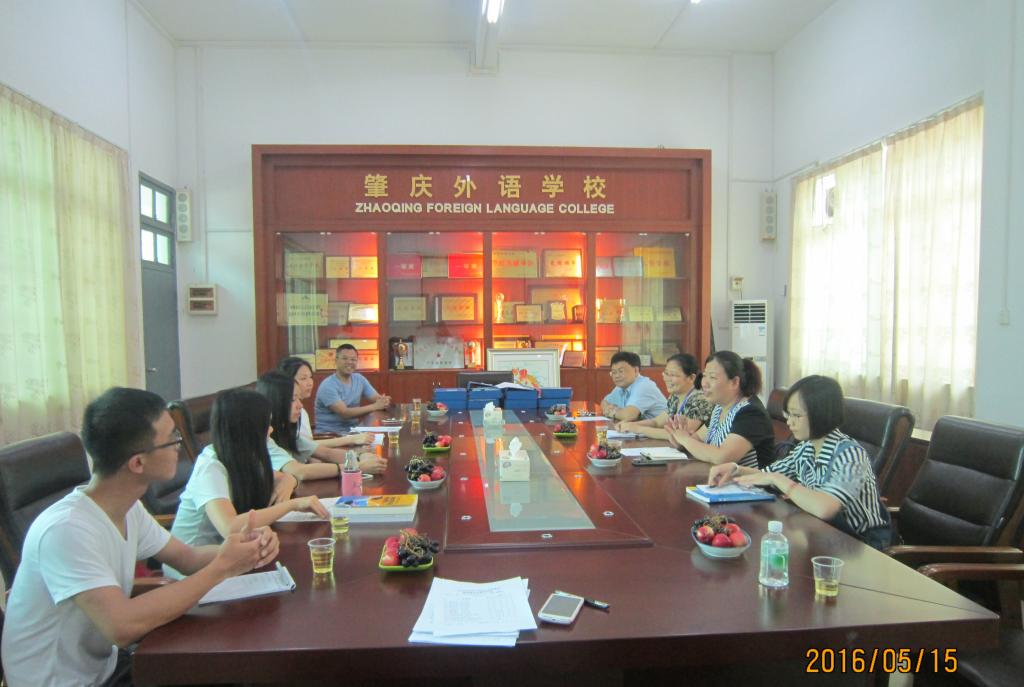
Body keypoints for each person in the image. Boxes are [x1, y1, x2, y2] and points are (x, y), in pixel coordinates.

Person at [1, 387, 278, 687]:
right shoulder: (66, 530)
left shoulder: (127, 508)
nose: (180, 446)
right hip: (64, 682)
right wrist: (222, 567)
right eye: (172, 439)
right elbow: (122, 626)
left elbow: (187, 558)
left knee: (241, 670)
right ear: (137, 463)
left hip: (105, 667)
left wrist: (245, 548)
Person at [708, 375, 892, 549]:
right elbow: (767, 475)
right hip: (824, 533)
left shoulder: (850, 455)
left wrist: (777, 479)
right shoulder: (807, 448)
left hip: (863, 544)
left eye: (796, 415)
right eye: (788, 414)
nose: (789, 422)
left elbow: (825, 508)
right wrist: (735, 469)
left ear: (821, 415)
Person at [166, 388, 329, 577]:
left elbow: (283, 476)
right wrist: (292, 505)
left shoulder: (242, 456)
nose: (271, 430)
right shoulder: (210, 467)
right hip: (193, 573)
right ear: (248, 429)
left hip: (232, 561)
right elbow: (230, 527)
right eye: (266, 424)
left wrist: (289, 479)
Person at [257, 371, 387, 481]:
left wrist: (359, 457)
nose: (300, 405)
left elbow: (326, 453)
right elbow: (301, 471)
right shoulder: (265, 438)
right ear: (274, 402)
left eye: (299, 399)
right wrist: (356, 467)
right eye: (293, 400)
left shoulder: (286, 433)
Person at [665, 351, 774, 468]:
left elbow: (722, 457)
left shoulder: (751, 413)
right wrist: (679, 438)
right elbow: (697, 439)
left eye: (712, 377)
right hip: (715, 476)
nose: (704, 383)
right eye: (704, 375)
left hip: (747, 480)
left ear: (734, 382)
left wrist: (685, 440)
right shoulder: (719, 407)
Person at [277, 356, 373, 448]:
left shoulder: (301, 411)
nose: (310, 383)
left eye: (310, 377)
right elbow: (303, 447)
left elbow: (307, 446)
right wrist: (350, 440)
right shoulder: (287, 411)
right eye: (303, 378)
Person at [615, 353, 713, 439]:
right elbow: (657, 422)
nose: (667, 379)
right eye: (666, 373)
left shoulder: (700, 399)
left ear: (691, 378)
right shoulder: (675, 397)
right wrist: (630, 425)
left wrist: (638, 429)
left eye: (673, 375)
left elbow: (680, 435)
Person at [314, 344, 392, 434]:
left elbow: (377, 399)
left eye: (353, 359)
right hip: (330, 435)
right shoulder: (328, 385)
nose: (349, 362)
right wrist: (375, 406)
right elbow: (344, 413)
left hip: (353, 432)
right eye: (345, 358)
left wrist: (384, 401)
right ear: (336, 360)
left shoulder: (359, 379)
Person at [599, 351, 668, 422]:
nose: (617, 376)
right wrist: (607, 408)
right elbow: (604, 401)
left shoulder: (643, 386)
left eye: (621, 371)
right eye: (614, 372)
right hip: (640, 427)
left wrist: (613, 413)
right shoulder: (621, 386)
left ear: (636, 370)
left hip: (660, 428)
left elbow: (629, 415)